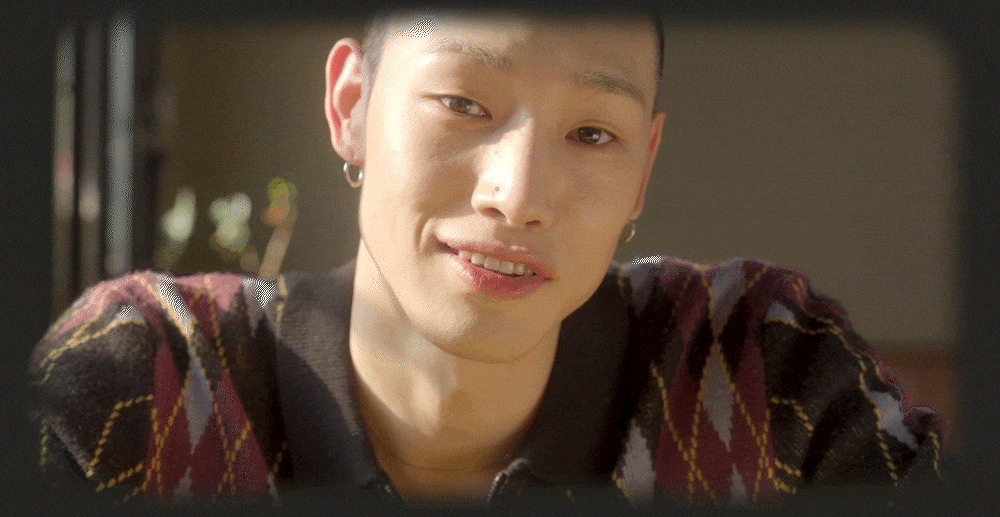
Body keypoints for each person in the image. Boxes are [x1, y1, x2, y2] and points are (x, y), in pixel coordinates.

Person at [29, 5, 947, 511]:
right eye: (463, 104)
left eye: (593, 133)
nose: (519, 194)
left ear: (642, 171)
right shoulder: (147, 387)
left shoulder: (760, 374)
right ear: (351, 105)